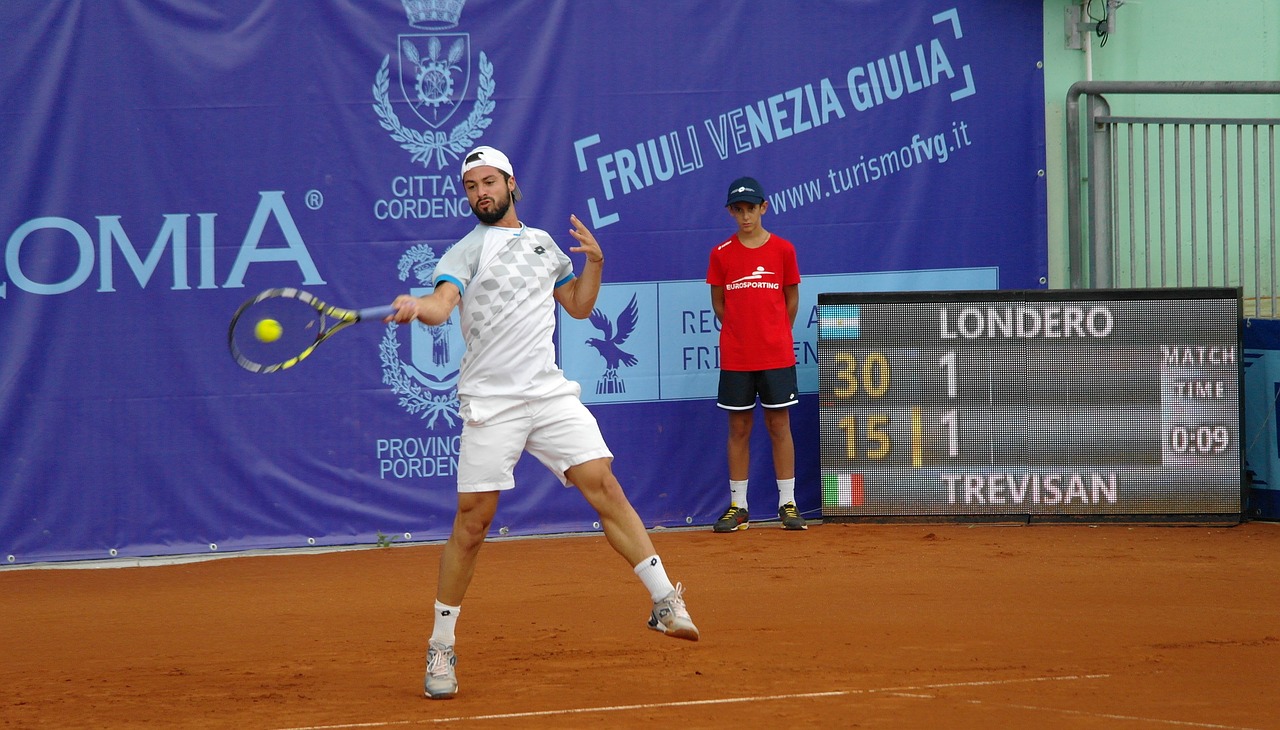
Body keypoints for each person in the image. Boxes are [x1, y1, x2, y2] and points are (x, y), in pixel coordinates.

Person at [387, 146, 699, 700]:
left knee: (602, 483)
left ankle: (663, 599)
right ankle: (441, 644)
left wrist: (596, 264)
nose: (480, 192)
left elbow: (577, 306)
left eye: (489, 182)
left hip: (549, 394)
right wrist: (419, 307)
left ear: (511, 184)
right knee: (473, 523)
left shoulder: (544, 245)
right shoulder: (465, 252)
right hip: (492, 401)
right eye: (471, 186)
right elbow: (441, 305)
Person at [705, 176, 806, 533]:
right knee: (739, 427)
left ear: (764, 207)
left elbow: (791, 298)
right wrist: (741, 332)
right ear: (731, 212)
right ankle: (739, 506)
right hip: (737, 357)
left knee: (779, 426)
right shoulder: (721, 254)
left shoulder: (783, 250)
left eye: (751, 208)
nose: (745, 216)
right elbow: (719, 303)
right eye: (738, 209)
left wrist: (775, 331)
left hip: (776, 354)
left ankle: (788, 503)